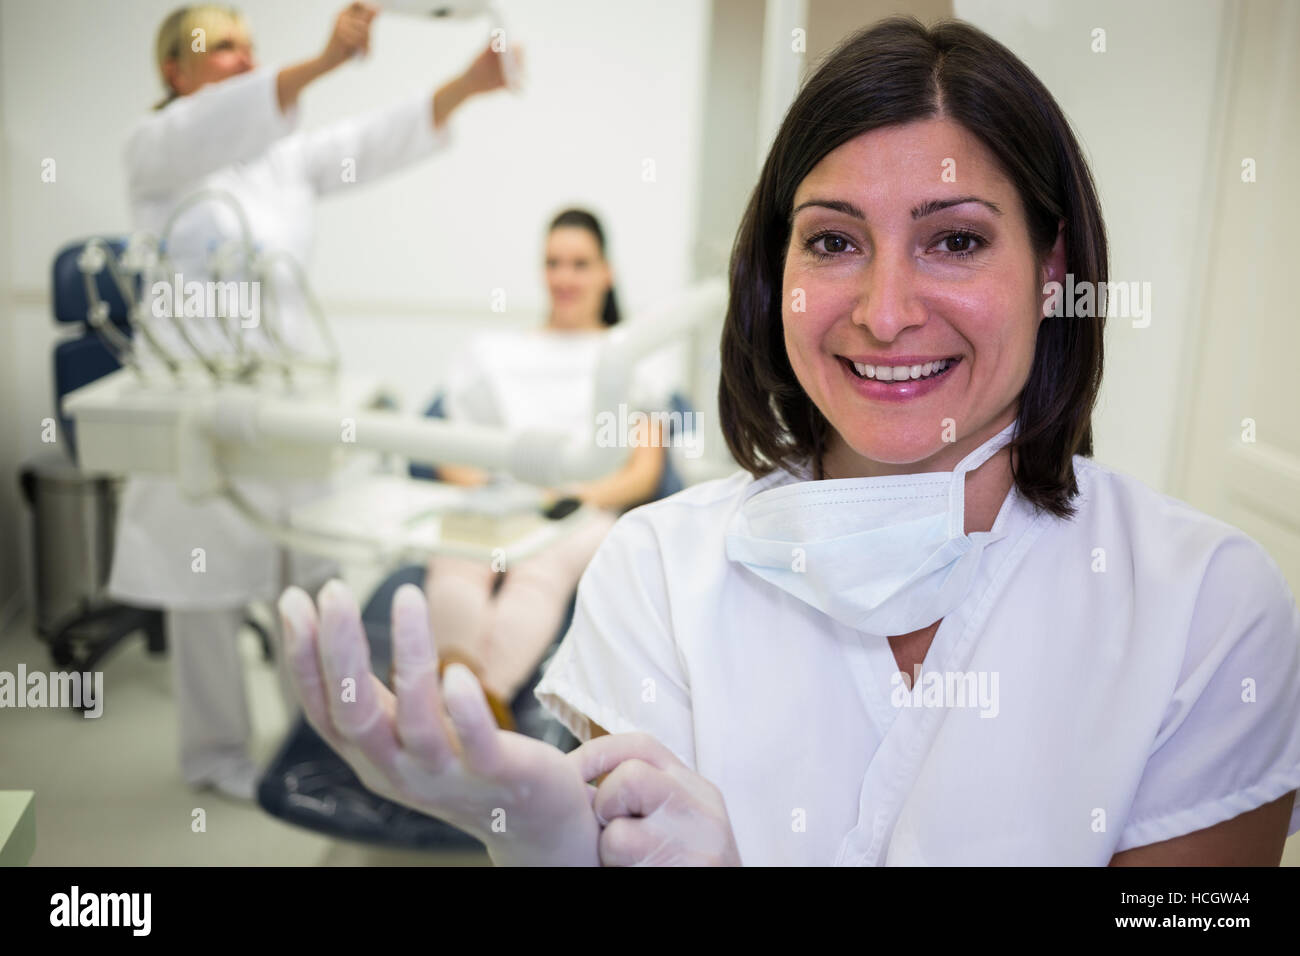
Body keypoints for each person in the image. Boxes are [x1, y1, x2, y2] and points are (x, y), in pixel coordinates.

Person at [276, 17, 1300, 866]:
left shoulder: (1206, 612)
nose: (884, 310)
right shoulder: (657, 575)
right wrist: (551, 848)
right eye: (833, 240)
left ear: (1051, 267)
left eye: (955, 239)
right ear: (778, 274)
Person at [107, 2, 514, 800]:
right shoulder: (154, 151)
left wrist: (465, 84)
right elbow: (211, 126)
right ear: (173, 69)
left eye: (247, 45)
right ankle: (217, 757)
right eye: (220, 47)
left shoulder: (278, 157)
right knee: (205, 595)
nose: (240, 57)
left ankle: (318, 741)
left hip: (285, 402)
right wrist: (324, 62)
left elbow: (365, 144)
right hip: (196, 407)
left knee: (311, 573)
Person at [421, 209, 673, 723]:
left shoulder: (629, 358)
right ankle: (457, 700)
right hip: (502, 499)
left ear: (607, 272)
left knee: (540, 570)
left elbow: (643, 474)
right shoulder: (495, 354)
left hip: (583, 510)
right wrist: (489, 494)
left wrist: (571, 499)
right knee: (457, 555)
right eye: (554, 263)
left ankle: (482, 708)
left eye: (580, 263)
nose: (565, 276)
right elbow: (449, 451)